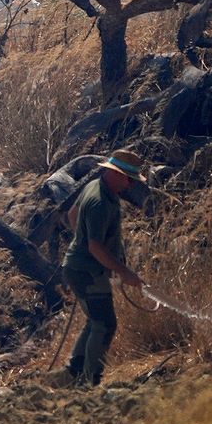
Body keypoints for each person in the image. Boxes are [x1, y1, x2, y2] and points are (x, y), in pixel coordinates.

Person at [55, 149, 147, 387]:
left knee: (95, 320)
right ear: (113, 173)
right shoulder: (99, 202)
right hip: (87, 271)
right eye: (127, 178)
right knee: (105, 324)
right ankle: (89, 380)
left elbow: (72, 216)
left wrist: (82, 241)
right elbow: (95, 247)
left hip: (80, 267)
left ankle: (74, 372)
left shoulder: (95, 187)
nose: (129, 184)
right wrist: (125, 272)